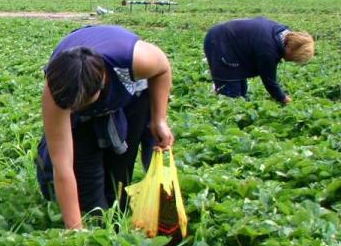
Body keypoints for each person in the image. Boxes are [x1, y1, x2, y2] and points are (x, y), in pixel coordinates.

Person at [35, 25, 174, 230]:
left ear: (100, 85)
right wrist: (75, 229)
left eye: (82, 104)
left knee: (120, 168)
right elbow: (62, 165)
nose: (75, 108)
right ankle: (98, 219)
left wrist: (159, 120)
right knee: (85, 178)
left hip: (131, 96)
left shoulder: (135, 60)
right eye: (72, 107)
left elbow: (162, 68)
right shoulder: (58, 90)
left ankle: (119, 211)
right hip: (81, 91)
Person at [203, 17, 314, 103]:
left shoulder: (279, 33)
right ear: (290, 48)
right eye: (293, 58)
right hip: (219, 43)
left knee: (241, 93)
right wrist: (283, 99)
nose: (290, 60)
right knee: (231, 97)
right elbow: (269, 80)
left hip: (228, 43)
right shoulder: (269, 49)